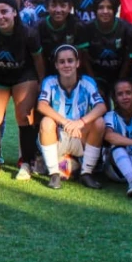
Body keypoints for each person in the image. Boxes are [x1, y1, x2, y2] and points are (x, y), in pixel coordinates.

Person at [0, 0, 45, 178]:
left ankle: (26, 163)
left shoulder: (28, 33)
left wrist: (42, 83)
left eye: (4, 12)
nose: (0, 17)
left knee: (24, 116)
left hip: (24, 75)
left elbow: (38, 60)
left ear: (15, 12)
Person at [36, 45, 107, 189]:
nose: (66, 65)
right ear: (56, 65)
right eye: (62, 62)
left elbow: (101, 107)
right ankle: (54, 174)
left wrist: (80, 122)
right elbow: (41, 105)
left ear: (77, 63)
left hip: (79, 135)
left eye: (70, 61)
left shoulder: (87, 82)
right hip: (58, 136)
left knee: (99, 123)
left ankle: (86, 173)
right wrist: (66, 122)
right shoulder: (50, 82)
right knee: (46, 122)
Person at [85, 0, 132, 95]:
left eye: (109, 8)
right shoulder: (87, 28)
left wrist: (121, 81)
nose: (105, 11)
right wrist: (93, 82)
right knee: (101, 104)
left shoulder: (125, 28)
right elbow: (84, 58)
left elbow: (128, 58)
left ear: (115, 10)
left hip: (121, 73)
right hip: (97, 75)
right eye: (101, 8)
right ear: (95, 10)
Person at [37, 0, 89, 78]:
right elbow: (38, 57)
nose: (58, 10)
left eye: (63, 6)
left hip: (71, 71)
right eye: (53, 5)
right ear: (47, 7)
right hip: (48, 70)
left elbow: (82, 56)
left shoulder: (78, 26)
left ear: (70, 7)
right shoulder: (39, 27)